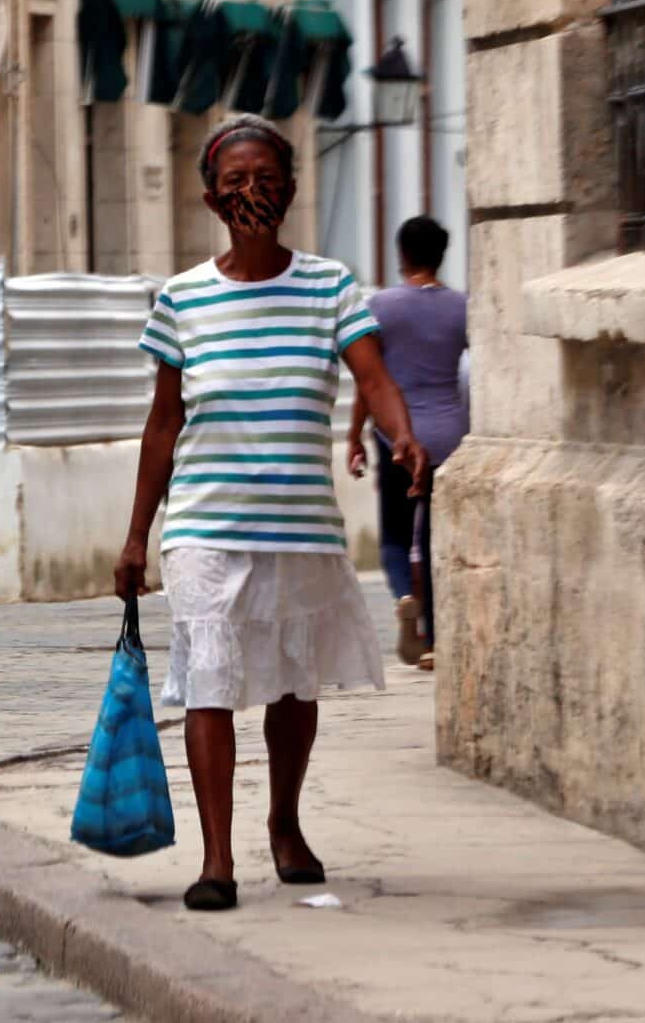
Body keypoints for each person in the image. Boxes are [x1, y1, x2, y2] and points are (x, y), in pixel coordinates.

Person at [113, 114, 428, 913]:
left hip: (298, 525)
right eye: (236, 181)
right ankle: (218, 859)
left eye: (266, 179)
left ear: (289, 190)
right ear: (211, 198)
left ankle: (284, 824)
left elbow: (374, 376)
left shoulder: (330, 286)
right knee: (210, 679)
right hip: (204, 525)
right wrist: (135, 536)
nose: (252, 192)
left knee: (291, 685)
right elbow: (162, 424)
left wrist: (402, 435)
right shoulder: (181, 299)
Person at [348, 216, 468, 673]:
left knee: (396, 536)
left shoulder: (379, 305)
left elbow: (368, 379)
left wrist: (354, 433)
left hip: (396, 434)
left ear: (402, 254)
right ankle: (435, 640)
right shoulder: (462, 307)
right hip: (451, 436)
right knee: (435, 540)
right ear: (442, 254)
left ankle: (403, 595)